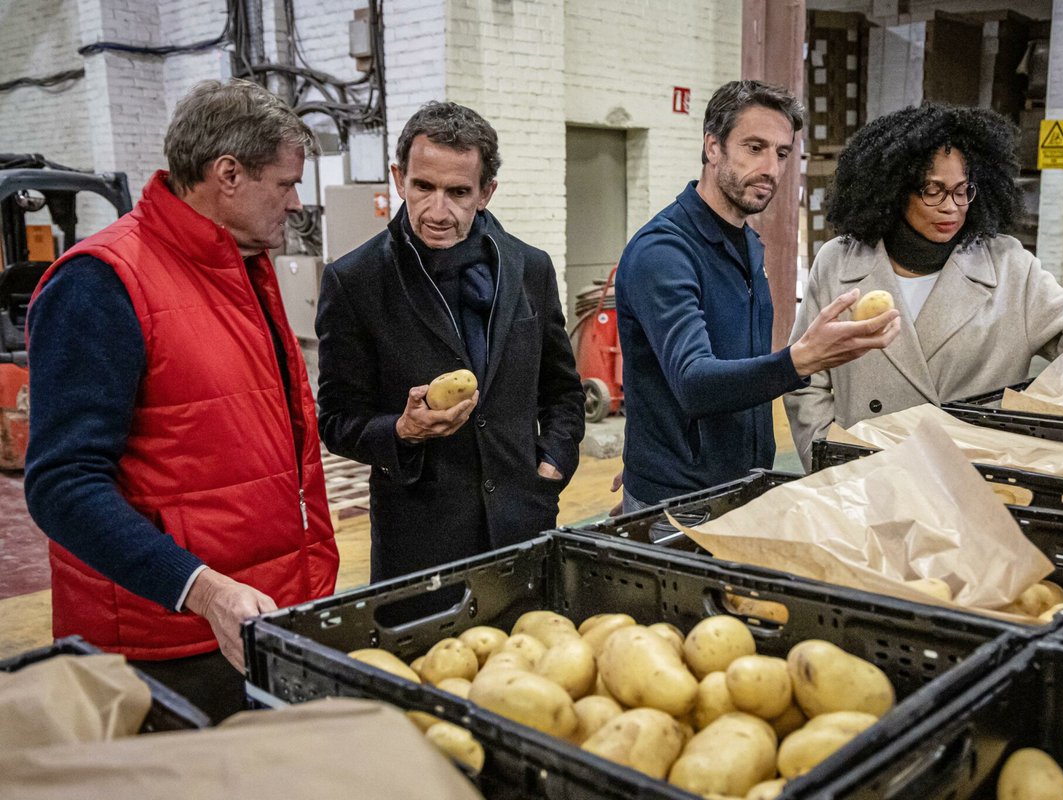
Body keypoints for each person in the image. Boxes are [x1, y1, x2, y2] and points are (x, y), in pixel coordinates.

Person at [24, 79, 339, 721]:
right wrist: (196, 588)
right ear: (228, 174)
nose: (297, 202)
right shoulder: (102, 283)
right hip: (168, 644)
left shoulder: (241, 268)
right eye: (285, 183)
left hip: (259, 615)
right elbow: (61, 486)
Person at [784, 104, 1063, 468]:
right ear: (894, 189)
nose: (952, 207)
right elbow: (807, 381)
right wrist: (828, 458)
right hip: (865, 476)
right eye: (933, 190)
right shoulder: (838, 263)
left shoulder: (1007, 265)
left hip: (975, 477)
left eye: (962, 190)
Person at [316, 101, 584, 582]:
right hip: (421, 544)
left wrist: (553, 464)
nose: (437, 211)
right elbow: (336, 420)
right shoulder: (354, 281)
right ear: (400, 180)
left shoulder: (529, 269)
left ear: (486, 193)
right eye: (423, 187)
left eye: (458, 192)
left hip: (523, 525)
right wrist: (401, 430)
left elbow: (562, 391)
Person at [615, 80, 901, 511]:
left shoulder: (747, 244)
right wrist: (803, 359)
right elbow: (693, 382)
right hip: (683, 502)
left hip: (741, 484)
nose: (771, 167)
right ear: (713, 148)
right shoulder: (664, 252)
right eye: (755, 147)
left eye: (782, 153)